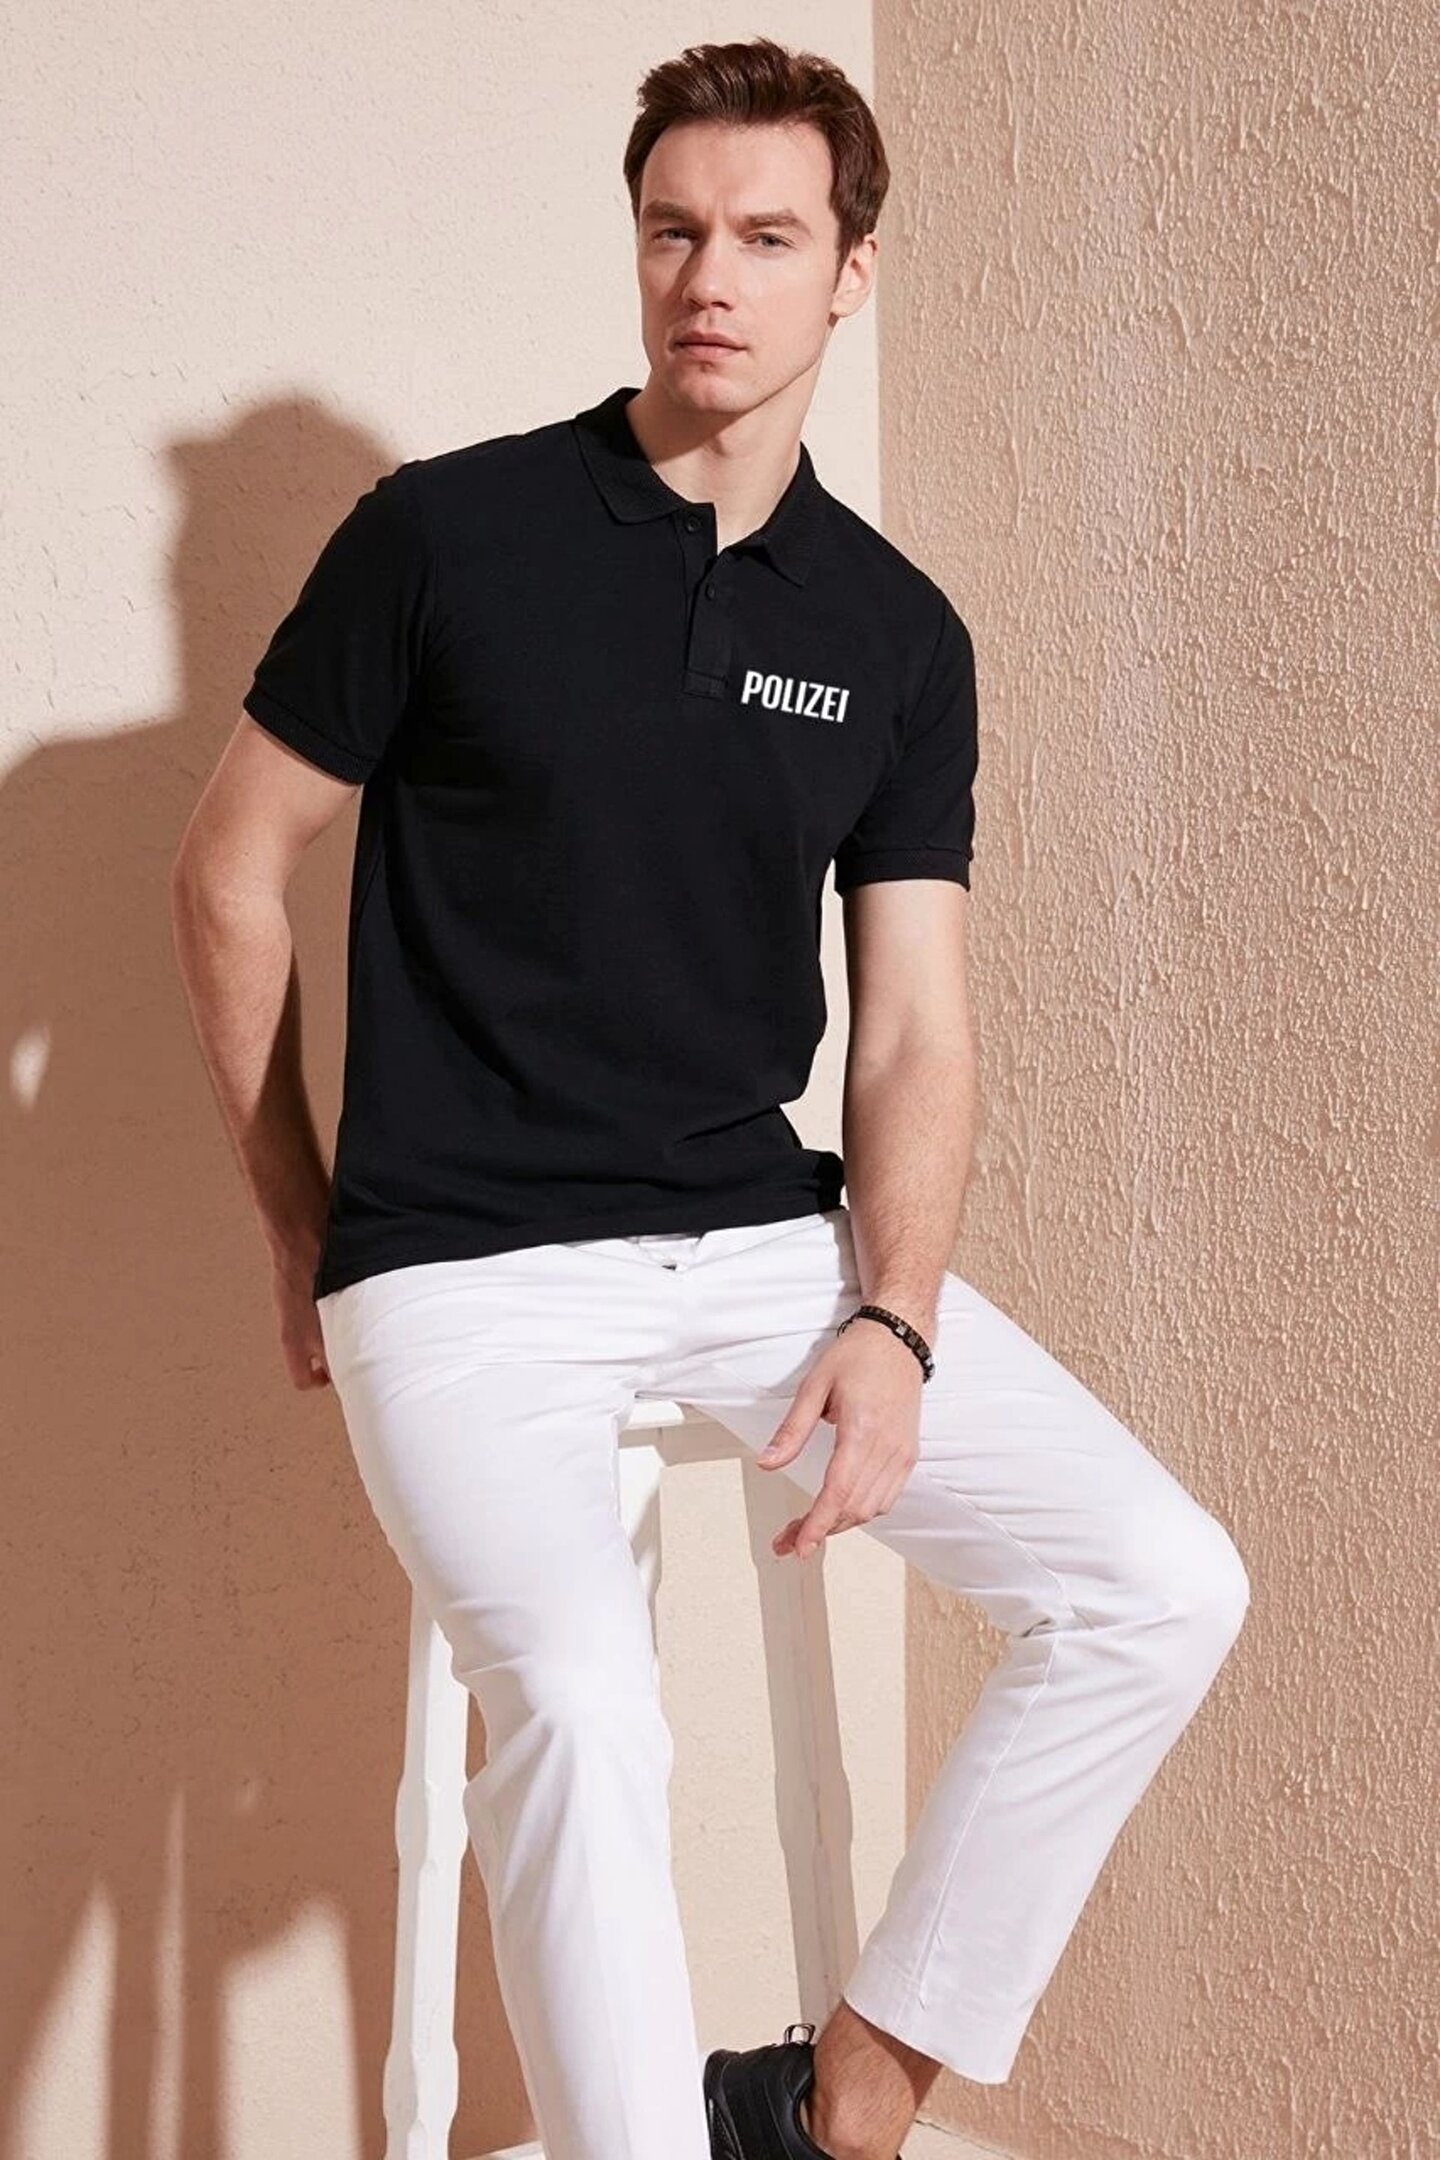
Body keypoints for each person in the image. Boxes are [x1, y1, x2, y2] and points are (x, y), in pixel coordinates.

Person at [170, 33, 1250, 2160]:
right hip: (465, 1269)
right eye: (675, 232)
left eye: (765, 236)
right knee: (582, 1707)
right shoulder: (445, 537)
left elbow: (914, 1029)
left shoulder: (895, 633)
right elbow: (225, 873)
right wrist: (302, 1222)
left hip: (762, 1246)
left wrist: (893, 1317)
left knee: (1161, 1580)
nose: (710, 280)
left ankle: (847, 2096)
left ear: (852, 270)